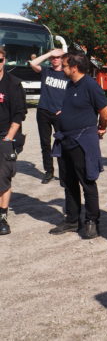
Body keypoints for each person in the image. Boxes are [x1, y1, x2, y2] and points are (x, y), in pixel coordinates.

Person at [49, 51, 107, 239]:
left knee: (87, 182)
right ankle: (71, 220)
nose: (62, 68)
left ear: (74, 68)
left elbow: (105, 113)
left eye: (65, 65)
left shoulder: (90, 85)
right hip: (66, 140)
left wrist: (101, 128)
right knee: (69, 183)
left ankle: (92, 221)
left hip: (82, 142)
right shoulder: (69, 85)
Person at [29, 48, 69, 184]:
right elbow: (33, 63)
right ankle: (49, 171)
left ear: (63, 58)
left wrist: (64, 110)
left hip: (60, 113)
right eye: (53, 57)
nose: (55, 59)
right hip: (43, 111)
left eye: (58, 57)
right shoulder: (46, 71)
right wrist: (49, 54)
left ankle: (64, 176)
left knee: (61, 144)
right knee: (45, 144)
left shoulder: (67, 74)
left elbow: (72, 94)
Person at [0, 47, 27, 235]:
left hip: (5, 135)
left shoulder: (13, 84)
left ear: (4, 60)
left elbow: (19, 115)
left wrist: (9, 137)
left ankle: (2, 217)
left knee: (3, 178)